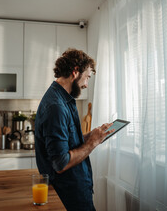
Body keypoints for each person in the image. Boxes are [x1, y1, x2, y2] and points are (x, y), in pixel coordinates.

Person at [34, 48, 114, 210]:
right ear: (75, 72)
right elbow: (60, 163)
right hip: (69, 194)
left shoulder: (63, 99)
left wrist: (91, 136)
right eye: (87, 78)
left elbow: (67, 143)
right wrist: (92, 143)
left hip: (74, 189)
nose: (86, 84)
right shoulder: (56, 106)